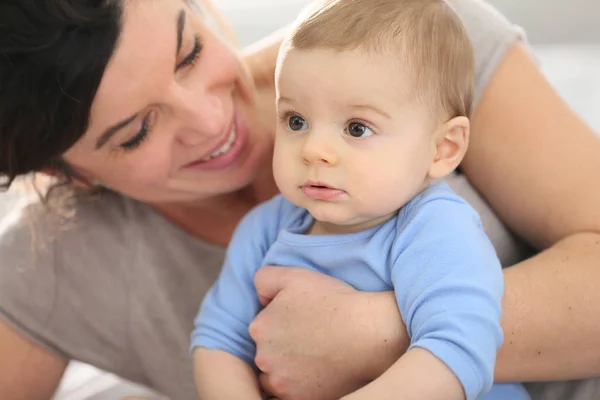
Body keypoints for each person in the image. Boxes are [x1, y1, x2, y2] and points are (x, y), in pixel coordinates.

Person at [0, 0, 599, 399]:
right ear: (64, 172)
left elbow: (458, 335)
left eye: (189, 52)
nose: (212, 121)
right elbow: (218, 335)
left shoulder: (420, 42)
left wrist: (366, 333)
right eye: (136, 132)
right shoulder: (45, 268)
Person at [192, 1, 529, 399]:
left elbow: (457, 351)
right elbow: (218, 341)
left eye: (356, 128)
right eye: (296, 120)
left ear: (442, 150)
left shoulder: (435, 227)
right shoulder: (264, 230)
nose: (314, 149)